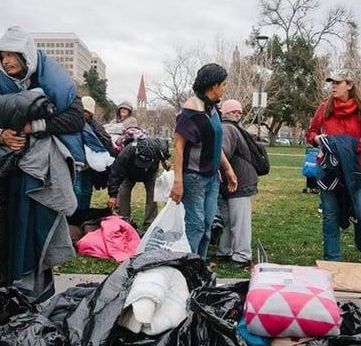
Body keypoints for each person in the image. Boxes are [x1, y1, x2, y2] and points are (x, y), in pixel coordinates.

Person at [0, 26, 84, 298]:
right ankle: (9, 294)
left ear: (26, 55)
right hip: (9, 170)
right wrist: (1, 134)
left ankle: (37, 295)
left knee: (36, 231)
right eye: (2, 56)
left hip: (41, 172)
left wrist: (34, 127)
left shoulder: (56, 84)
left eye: (12, 55)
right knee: (10, 234)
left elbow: (75, 119)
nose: (6, 61)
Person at [306, 70, 361, 263]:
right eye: (331, 82)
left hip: (358, 169)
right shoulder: (324, 108)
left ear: (349, 84)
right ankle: (332, 260)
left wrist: (345, 147)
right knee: (330, 215)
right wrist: (316, 138)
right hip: (328, 169)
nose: (333, 85)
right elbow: (311, 132)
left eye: (337, 82)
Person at [170, 63, 238, 259]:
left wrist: (228, 170)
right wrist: (178, 181)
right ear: (213, 85)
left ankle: (201, 264)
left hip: (212, 178)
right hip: (194, 178)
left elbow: (215, 144)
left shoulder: (213, 109)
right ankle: (188, 268)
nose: (224, 88)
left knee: (208, 226)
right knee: (196, 225)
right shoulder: (190, 112)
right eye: (223, 84)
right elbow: (178, 147)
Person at [215, 99, 257, 268]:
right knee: (227, 218)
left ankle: (242, 255)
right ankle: (225, 251)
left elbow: (222, 153)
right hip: (233, 181)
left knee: (239, 222)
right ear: (225, 112)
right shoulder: (232, 128)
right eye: (233, 112)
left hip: (239, 180)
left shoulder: (226, 128)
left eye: (239, 112)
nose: (236, 115)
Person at [107, 138, 170, 229]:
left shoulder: (158, 149)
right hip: (130, 173)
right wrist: (112, 195)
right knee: (124, 192)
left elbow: (164, 148)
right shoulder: (127, 152)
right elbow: (115, 172)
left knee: (153, 193)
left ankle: (150, 223)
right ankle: (124, 220)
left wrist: (165, 160)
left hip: (150, 173)